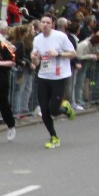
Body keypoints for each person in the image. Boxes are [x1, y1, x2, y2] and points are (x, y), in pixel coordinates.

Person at [29, 15, 77, 149]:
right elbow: (36, 62)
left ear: (52, 24)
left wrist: (58, 54)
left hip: (59, 77)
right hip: (43, 76)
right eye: (43, 22)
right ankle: (54, 137)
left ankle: (65, 108)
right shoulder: (37, 39)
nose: (45, 25)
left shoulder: (60, 37)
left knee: (54, 110)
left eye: (48, 22)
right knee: (44, 110)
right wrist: (34, 58)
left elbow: (73, 54)